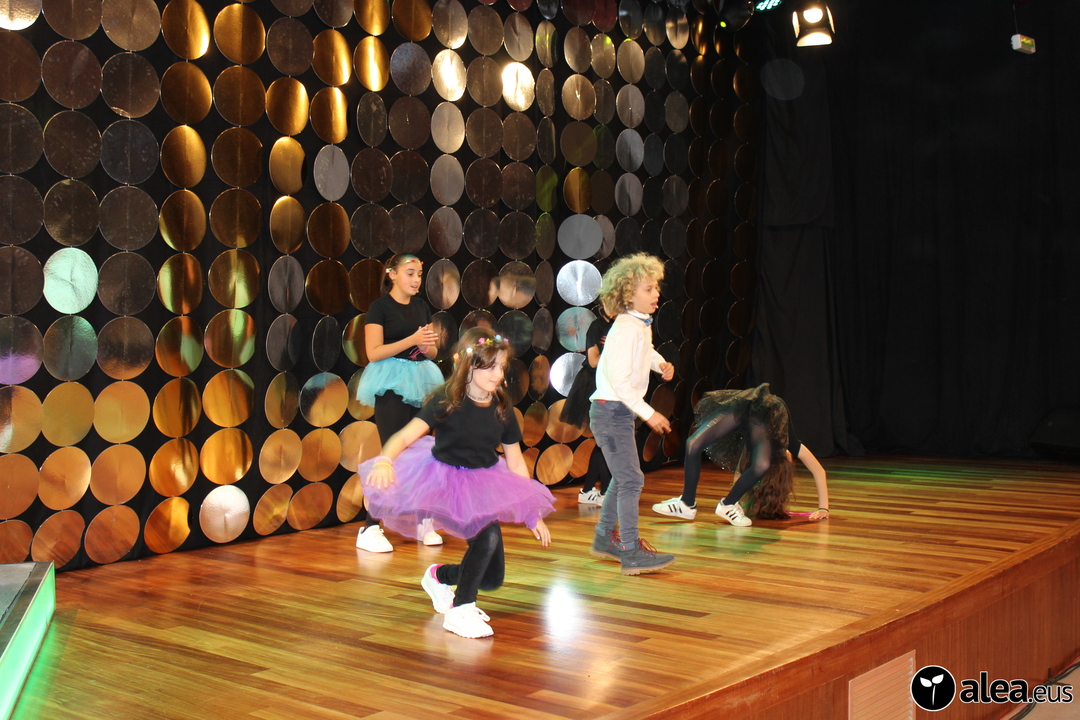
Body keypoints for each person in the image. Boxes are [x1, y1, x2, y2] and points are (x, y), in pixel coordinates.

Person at [360, 328, 555, 639]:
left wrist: (532, 512)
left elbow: (516, 462)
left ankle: (439, 576)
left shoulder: (502, 407)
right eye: (490, 367)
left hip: (484, 483)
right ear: (469, 365)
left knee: (491, 577)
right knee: (486, 539)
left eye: (501, 367)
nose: (498, 375)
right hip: (448, 483)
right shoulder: (447, 400)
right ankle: (461, 610)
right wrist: (384, 460)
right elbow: (404, 436)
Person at [588, 253, 677, 575]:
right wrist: (649, 413)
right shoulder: (627, 328)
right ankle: (630, 551)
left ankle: (604, 539)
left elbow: (645, 351)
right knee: (630, 480)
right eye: (648, 289)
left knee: (627, 477)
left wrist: (659, 363)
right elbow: (619, 382)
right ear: (628, 294)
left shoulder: (637, 324)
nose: (656, 294)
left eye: (656, 288)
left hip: (618, 413)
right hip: (611, 412)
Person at [354, 253, 444, 552]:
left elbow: (432, 351)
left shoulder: (421, 307)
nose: (416, 279)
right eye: (410, 273)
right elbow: (373, 352)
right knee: (391, 454)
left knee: (425, 453)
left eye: (419, 274)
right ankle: (370, 527)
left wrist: (426, 346)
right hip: (390, 383)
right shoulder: (379, 308)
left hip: (422, 380)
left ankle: (423, 520)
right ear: (392, 274)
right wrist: (411, 341)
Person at [652, 383, 830, 526]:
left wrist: (737, 499)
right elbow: (819, 471)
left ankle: (728, 504)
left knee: (760, 465)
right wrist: (824, 508)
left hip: (747, 417)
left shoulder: (757, 457)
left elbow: (741, 476)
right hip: (748, 406)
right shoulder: (790, 441)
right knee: (692, 444)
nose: (789, 457)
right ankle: (686, 503)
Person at [560, 308, 613, 506]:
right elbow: (593, 361)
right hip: (594, 385)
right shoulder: (596, 326)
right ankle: (601, 491)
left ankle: (590, 490)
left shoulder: (621, 325)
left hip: (611, 385)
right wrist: (612, 347)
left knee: (603, 441)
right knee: (603, 441)